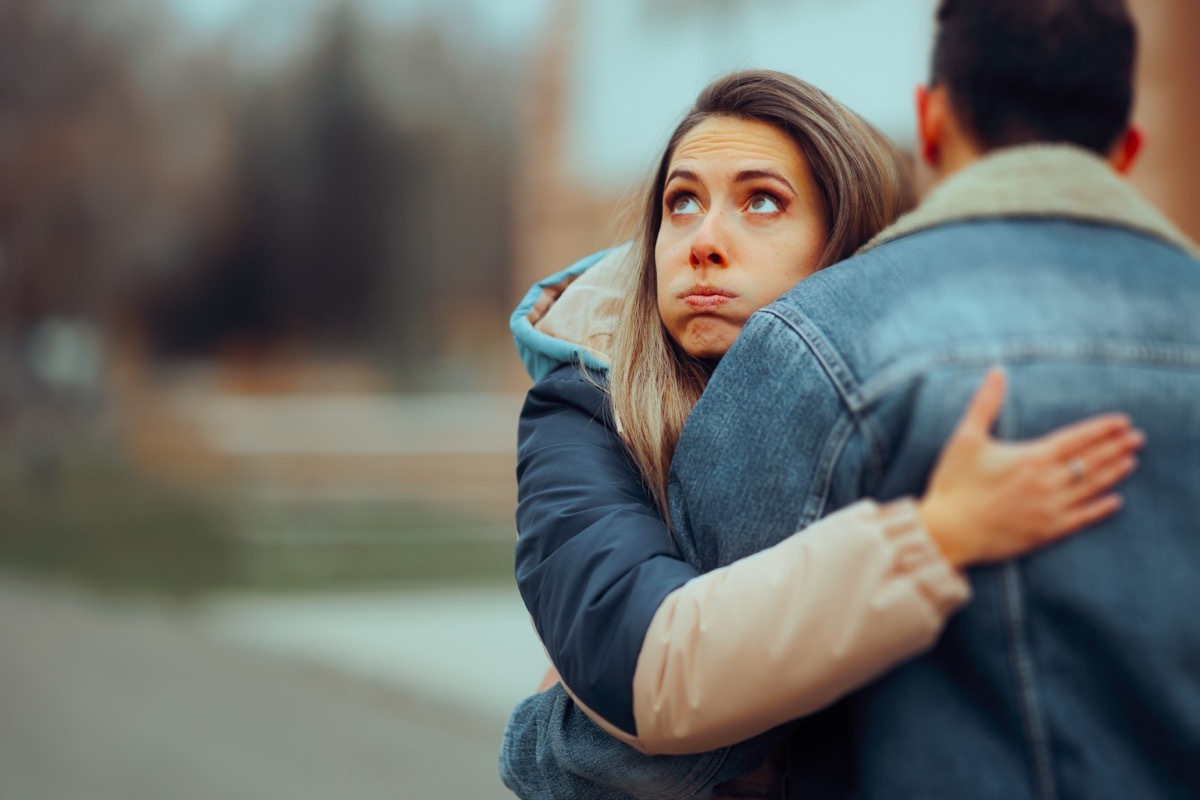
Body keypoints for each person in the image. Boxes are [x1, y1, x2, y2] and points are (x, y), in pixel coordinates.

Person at [501, 68, 1144, 799]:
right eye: (682, 202)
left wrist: (548, 748)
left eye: (762, 201)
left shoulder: (946, 404)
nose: (703, 242)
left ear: (846, 247)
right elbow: (640, 668)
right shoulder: (586, 404)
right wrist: (931, 539)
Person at [661, 1, 1200, 798]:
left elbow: (698, 711)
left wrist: (539, 744)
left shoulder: (816, 340)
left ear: (932, 121)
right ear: (1127, 150)